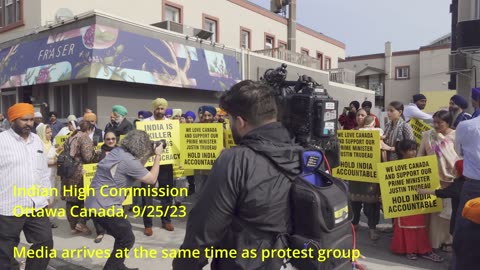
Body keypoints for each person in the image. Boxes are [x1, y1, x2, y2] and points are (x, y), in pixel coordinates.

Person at [172, 80, 303, 270]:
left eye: (231, 120)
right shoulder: (305, 153)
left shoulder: (235, 161)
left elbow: (203, 230)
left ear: (240, 122)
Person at [85, 130, 164, 270]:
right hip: (105, 206)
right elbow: (151, 179)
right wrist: (158, 155)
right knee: (127, 238)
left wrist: (149, 154)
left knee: (122, 235)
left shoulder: (118, 152)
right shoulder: (128, 161)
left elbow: (136, 167)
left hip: (94, 203)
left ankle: (118, 265)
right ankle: (111, 268)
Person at [0, 103, 53, 270]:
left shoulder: (36, 140)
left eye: (31, 120)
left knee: (45, 245)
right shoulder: (2, 141)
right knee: (5, 254)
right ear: (12, 120)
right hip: (9, 207)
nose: (29, 123)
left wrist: (47, 196)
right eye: (24, 120)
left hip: (36, 205)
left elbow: (43, 171)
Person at [390, 139, 443, 262]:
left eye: (415, 149)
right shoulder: (395, 165)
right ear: (403, 151)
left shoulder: (420, 163)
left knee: (420, 225)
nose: (413, 152)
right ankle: (409, 250)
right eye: (410, 150)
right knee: (406, 226)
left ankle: (423, 250)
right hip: (403, 203)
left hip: (418, 202)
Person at [417, 110, 459, 251]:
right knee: (434, 213)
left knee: (448, 213)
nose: (435, 125)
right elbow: (420, 156)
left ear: (448, 123)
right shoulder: (428, 136)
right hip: (432, 179)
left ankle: (448, 241)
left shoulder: (457, 136)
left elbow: (459, 158)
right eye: (434, 122)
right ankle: (433, 242)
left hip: (451, 181)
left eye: (439, 122)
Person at [141, 98, 175, 235]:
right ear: (154, 109)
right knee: (147, 195)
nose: (160, 111)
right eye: (158, 108)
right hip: (148, 163)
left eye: (162, 109)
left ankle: (166, 221)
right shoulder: (144, 123)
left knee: (166, 193)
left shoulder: (171, 124)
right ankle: (148, 224)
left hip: (166, 163)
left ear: (165, 109)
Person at [452, 108, 480, 270]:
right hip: (472, 185)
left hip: (473, 185)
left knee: (464, 230)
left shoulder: (466, 126)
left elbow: (458, 151)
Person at [348, 109, 381, 241]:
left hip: (370, 175)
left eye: (363, 115)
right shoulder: (350, 134)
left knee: (371, 204)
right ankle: (354, 225)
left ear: (368, 118)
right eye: (358, 115)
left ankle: (372, 228)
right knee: (354, 202)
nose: (360, 117)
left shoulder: (376, 133)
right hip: (355, 174)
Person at [61, 121, 98, 234]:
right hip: (79, 173)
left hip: (67, 172)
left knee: (71, 200)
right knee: (83, 199)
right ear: (90, 129)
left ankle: (73, 226)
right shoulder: (84, 137)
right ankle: (81, 223)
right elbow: (87, 157)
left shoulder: (71, 136)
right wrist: (96, 152)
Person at [418, 159, 466, 235]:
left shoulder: (457, 186)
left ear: (457, 171)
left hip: (459, 219)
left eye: (454, 167)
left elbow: (443, 193)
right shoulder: (468, 182)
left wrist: (424, 191)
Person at [36, 123, 59, 228]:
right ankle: (46, 221)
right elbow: (40, 162)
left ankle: (48, 220)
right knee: (46, 200)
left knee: (53, 199)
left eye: (51, 132)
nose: (50, 134)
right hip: (44, 177)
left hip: (53, 175)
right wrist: (55, 161)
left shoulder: (50, 143)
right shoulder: (38, 145)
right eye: (48, 132)